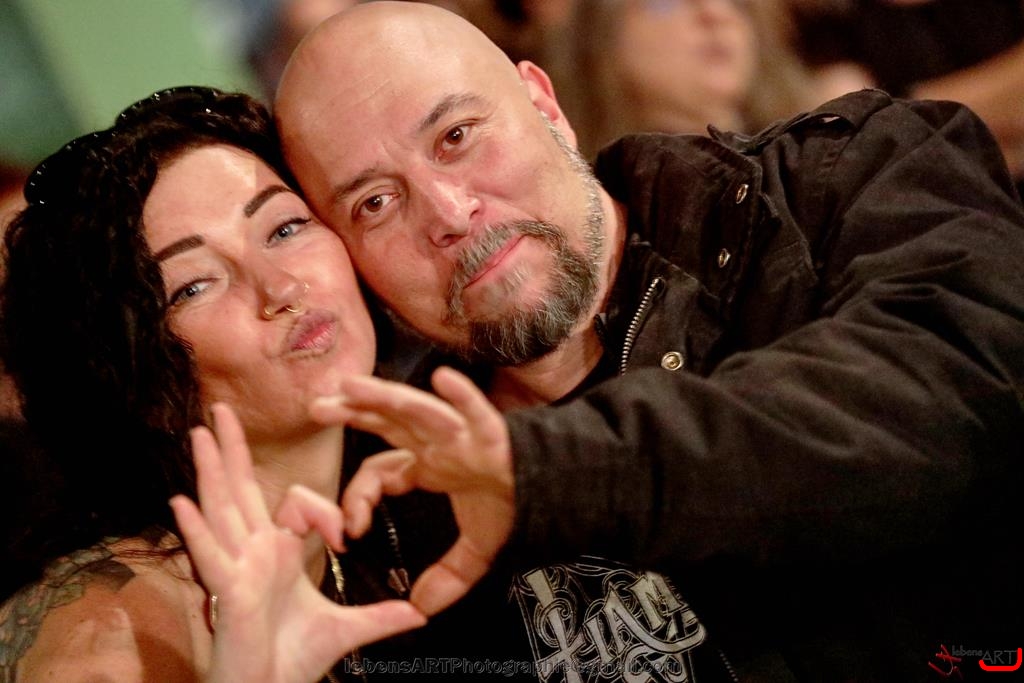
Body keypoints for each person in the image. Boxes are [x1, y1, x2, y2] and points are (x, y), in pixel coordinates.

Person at [274, 2, 1024, 680]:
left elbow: (955, 389)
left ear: (544, 105)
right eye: (375, 202)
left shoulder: (842, 178)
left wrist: (543, 472)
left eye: (457, 137)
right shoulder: (400, 516)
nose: (447, 212)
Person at [0, 86, 426, 682]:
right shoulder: (110, 632)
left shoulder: (406, 492)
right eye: (195, 285)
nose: (280, 288)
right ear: (135, 375)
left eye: (285, 228)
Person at [552, 0, 818, 158]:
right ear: (599, 33)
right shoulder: (587, 205)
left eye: (736, 2)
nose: (716, 12)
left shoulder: (811, 161)